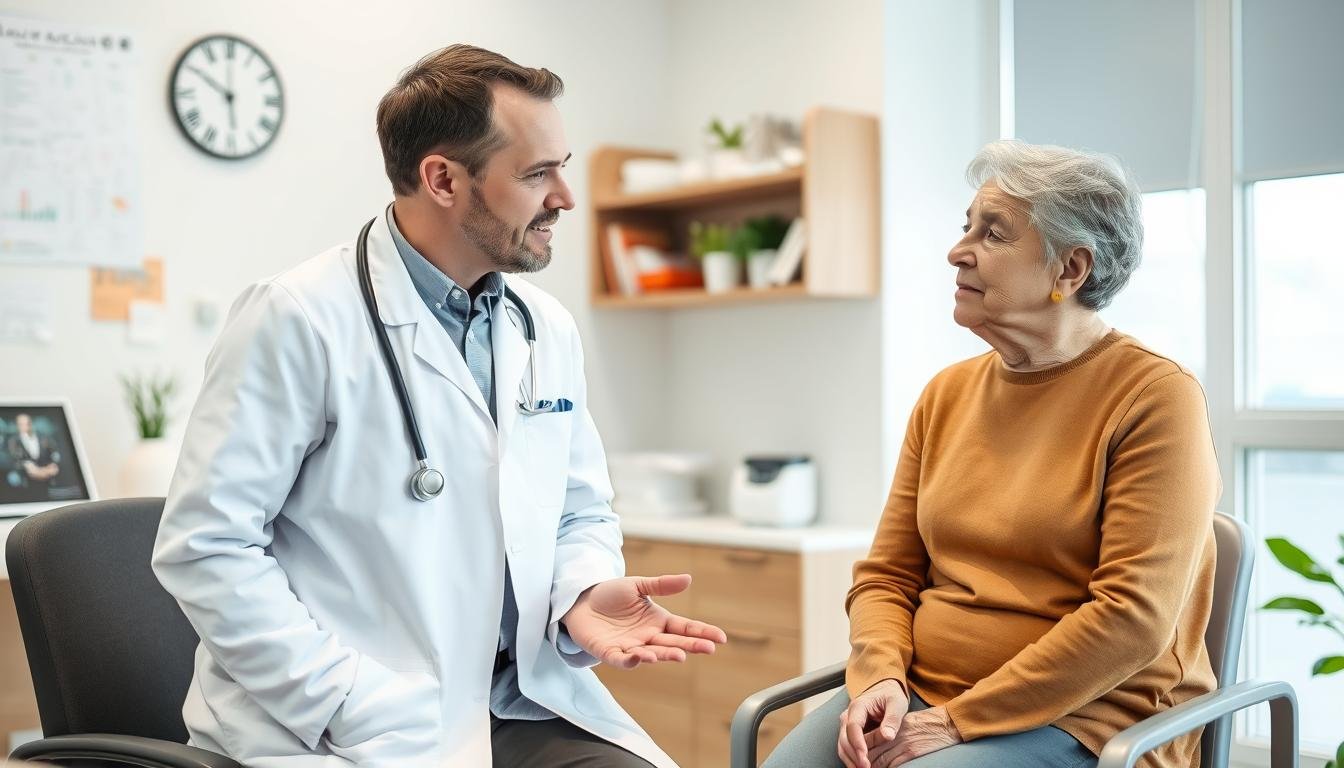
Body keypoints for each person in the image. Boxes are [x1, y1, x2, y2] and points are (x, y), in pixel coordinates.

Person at [153, 44, 725, 768]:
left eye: (562, 167)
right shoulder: (297, 318)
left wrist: (580, 593)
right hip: (339, 721)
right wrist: (345, 697)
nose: (565, 198)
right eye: (537, 173)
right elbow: (207, 547)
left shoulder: (542, 327)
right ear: (443, 179)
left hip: (510, 701)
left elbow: (579, 509)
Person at [765, 140, 1219, 768]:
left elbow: (1132, 619)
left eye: (995, 233)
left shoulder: (1155, 398)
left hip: (1086, 718)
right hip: (919, 694)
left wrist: (957, 721)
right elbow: (887, 574)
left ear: (1070, 271)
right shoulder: (947, 394)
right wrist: (879, 677)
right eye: (966, 227)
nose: (958, 250)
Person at [6, 414, 61, 492]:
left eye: (27, 423)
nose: (25, 426)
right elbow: (13, 458)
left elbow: (55, 452)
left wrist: (53, 464)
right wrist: (27, 465)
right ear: (17, 425)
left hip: (47, 472)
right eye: (21, 424)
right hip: (26, 476)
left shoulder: (44, 437)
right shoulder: (13, 440)